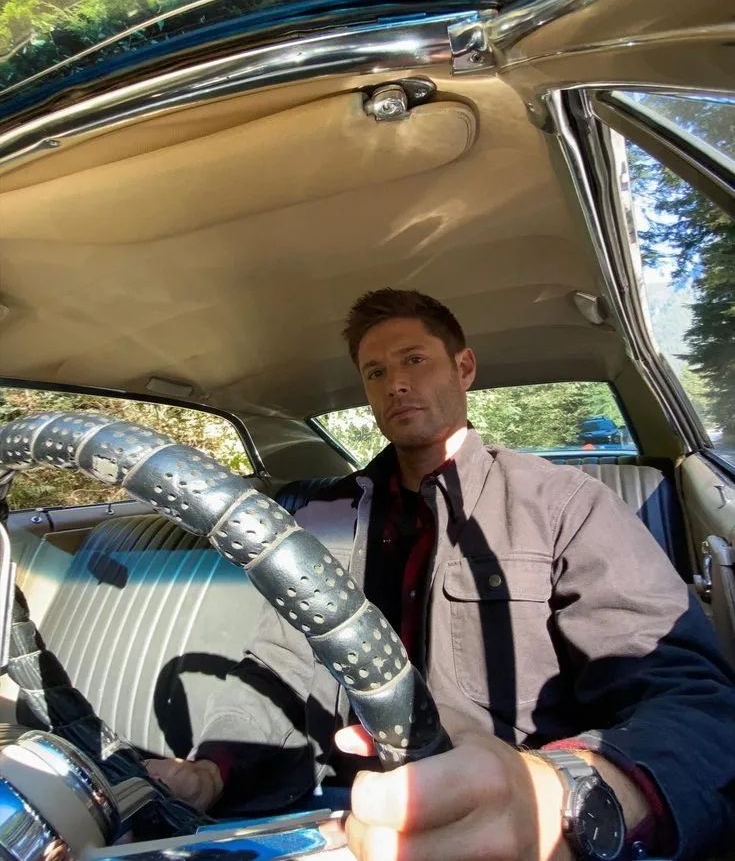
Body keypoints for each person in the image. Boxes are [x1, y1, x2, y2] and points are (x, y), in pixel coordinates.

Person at [146, 289, 735, 860]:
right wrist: (212, 771)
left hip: (513, 825)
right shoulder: (322, 518)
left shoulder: (564, 505)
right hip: (338, 812)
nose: (395, 383)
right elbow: (280, 665)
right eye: (375, 372)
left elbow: (692, 701)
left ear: (464, 368)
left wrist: (566, 793)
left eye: (414, 360)